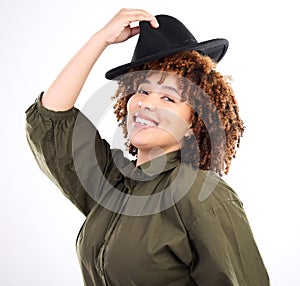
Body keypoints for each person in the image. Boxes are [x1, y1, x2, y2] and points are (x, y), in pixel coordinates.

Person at [25, 8, 269, 286]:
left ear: (194, 123)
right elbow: (51, 119)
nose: (146, 103)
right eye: (141, 91)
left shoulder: (199, 193)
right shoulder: (111, 185)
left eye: (169, 98)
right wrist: (100, 39)